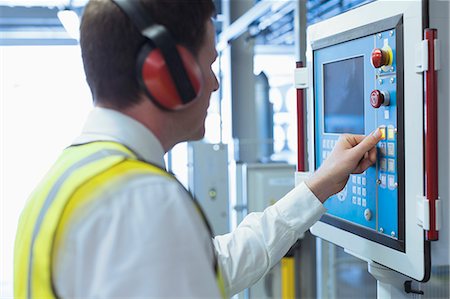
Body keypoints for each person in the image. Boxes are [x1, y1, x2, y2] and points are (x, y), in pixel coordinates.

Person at [14, 0, 382, 298]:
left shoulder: (71, 179)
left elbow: (214, 266)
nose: (215, 83)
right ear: (167, 75)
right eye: (208, 65)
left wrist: (316, 188)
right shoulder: (141, 199)